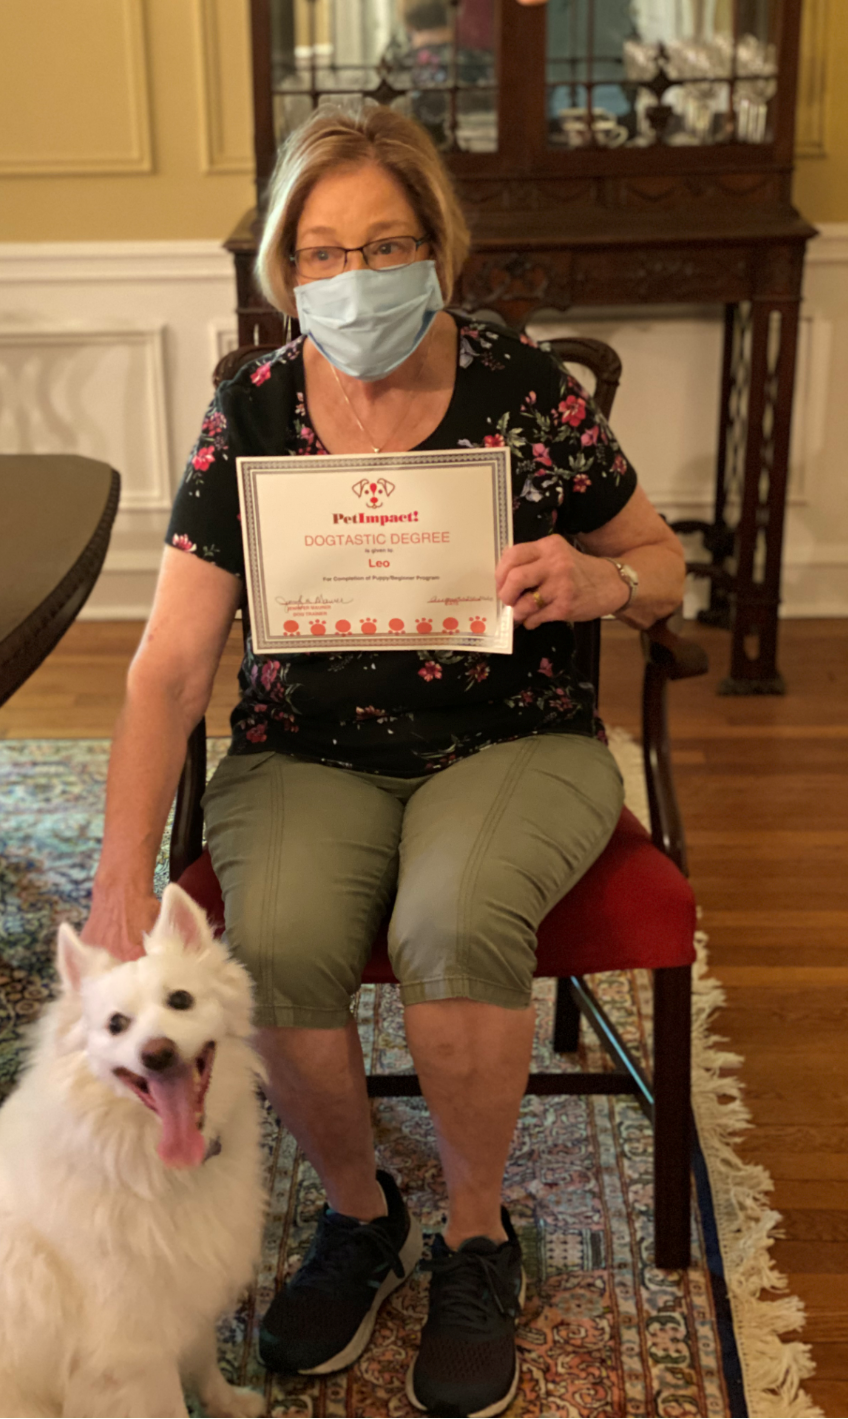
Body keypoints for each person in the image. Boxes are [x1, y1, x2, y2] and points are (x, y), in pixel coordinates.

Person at [83, 102, 685, 1417]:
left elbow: (665, 570)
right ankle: (360, 1214)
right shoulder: (248, 407)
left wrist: (597, 577)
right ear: (286, 269)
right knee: (283, 933)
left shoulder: (530, 390)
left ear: (439, 248)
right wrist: (121, 870)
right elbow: (173, 660)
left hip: (514, 737)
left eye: (389, 243)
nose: (357, 278)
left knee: (454, 913)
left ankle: (478, 1235)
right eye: (325, 250)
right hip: (308, 750)